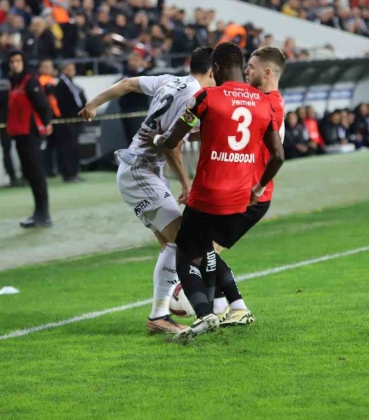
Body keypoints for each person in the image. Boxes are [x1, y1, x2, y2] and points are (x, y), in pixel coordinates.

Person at [146, 42, 284, 342]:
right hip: (241, 197)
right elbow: (278, 155)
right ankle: (229, 306)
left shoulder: (206, 96)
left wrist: (158, 139)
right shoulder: (263, 102)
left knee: (185, 252)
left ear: (216, 69)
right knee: (207, 250)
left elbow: (172, 141)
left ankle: (206, 311)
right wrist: (259, 187)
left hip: (207, 193)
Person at [78, 47, 215, 335]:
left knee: (172, 244)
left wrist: (94, 103)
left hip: (143, 170)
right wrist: (187, 184)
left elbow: (128, 84)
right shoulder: (193, 96)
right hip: (140, 170)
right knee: (182, 240)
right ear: (212, 72)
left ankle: (166, 308)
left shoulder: (170, 80)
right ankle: (160, 316)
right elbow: (171, 145)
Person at [208, 46, 286, 319]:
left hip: (250, 195)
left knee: (200, 249)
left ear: (267, 72)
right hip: (245, 193)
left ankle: (235, 306)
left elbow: (277, 156)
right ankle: (222, 307)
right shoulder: (266, 102)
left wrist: (258, 187)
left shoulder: (268, 104)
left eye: (251, 66)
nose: (246, 70)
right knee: (204, 249)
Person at [6, 51, 53, 227]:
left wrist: (47, 123)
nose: (15, 64)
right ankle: (38, 212)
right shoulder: (14, 82)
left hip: (30, 133)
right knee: (30, 174)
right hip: (19, 134)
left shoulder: (29, 81)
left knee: (37, 173)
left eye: (18, 61)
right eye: (12, 61)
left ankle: (44, 214)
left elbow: (42, 104)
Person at [55, 62, 87, 182]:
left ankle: (74, 172)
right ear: (63, 70)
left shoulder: (71, 84)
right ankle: (68, 174)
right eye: (69, 69)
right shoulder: (62, 84)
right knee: (67, 148)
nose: (71, 71)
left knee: (73, 148)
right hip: (66, 121)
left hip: (73, 121)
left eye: (72, 69)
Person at [0, 79, 18, 186]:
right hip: (17, 121)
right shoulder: (17, 83)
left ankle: (12, 177)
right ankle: (25, 176)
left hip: (3, 122)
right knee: (23, 150)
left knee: (6, 151)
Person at [119, 48, 151, 143]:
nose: (132, 63)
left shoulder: (144, 76)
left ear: (141, 62)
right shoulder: (126, 75)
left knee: (138, 140)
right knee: (129, 139)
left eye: (135, 60)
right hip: (126, 111)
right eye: (130, 60)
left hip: (138, 111)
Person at [36, 60, 61, 178]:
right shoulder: (42, 80)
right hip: (46, 117)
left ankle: (51, 169)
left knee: (52, 145)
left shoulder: (51, 79)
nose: (48, 69)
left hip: (54, 115)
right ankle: (47, 169)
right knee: (47, 145)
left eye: (49, 67)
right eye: (45, 67)